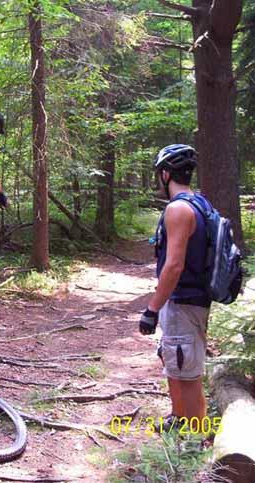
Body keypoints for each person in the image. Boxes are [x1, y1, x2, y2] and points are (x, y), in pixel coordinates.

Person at [139, 144, 213, 433]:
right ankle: (179, 417)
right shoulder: (200, 203)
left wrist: (152, 308)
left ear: (165, 174)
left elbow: (173, 266)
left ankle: (197, 439)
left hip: (184, 300)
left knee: (188, 374)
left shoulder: (178, 209)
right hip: (190, 299)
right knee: (175, 360)